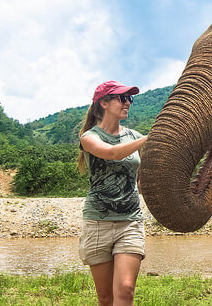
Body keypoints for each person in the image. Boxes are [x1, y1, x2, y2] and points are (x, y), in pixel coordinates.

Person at [77, 80, 148, 306]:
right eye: (122, 98)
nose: (128, 103)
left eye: (130, 98)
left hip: (130, 222)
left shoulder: (134, 136)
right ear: (104, 103)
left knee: (126, 290)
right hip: (98, 223)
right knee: (106, 298)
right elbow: (113, 153)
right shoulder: (89, 137)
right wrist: (149, 138)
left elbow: (140, 176)